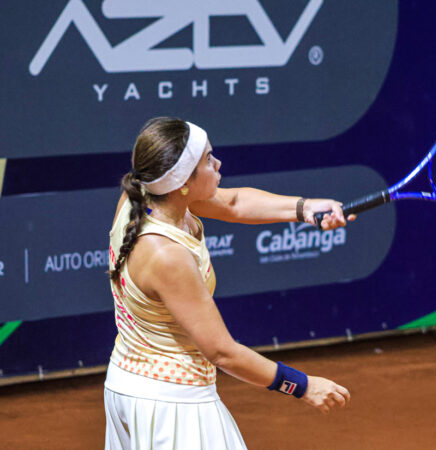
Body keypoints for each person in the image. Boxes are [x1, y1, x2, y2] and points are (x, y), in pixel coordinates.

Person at [104, 117, 353, 449]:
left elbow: (234, 204)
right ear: (183, 182)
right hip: (171, 406)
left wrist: (305, 208)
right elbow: (222, 352)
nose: (218, 163)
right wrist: (303, 386)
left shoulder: (145, 198)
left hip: (130, 385)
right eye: (208, 159)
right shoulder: (167, 255)